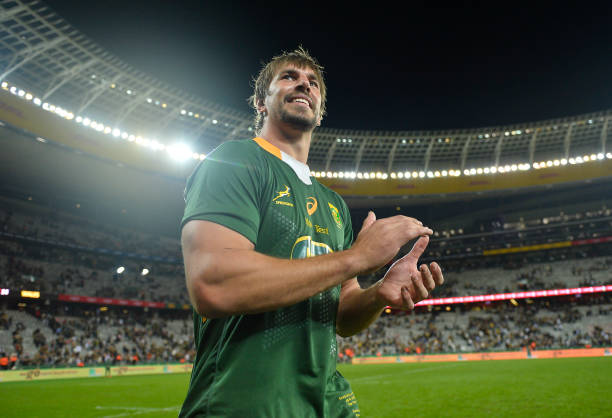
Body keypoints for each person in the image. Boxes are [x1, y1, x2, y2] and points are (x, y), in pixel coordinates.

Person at [179, 47, 444, 417]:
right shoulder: (234, 162)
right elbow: (214, 285)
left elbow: (340, 316)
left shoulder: (333, 203)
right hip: (245, 404)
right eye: (289, 76)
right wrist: (357, 257)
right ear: (260, 102)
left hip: (328, 404)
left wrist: (377, 294)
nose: (304, 83)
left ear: (320, 112)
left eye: (313, 82)